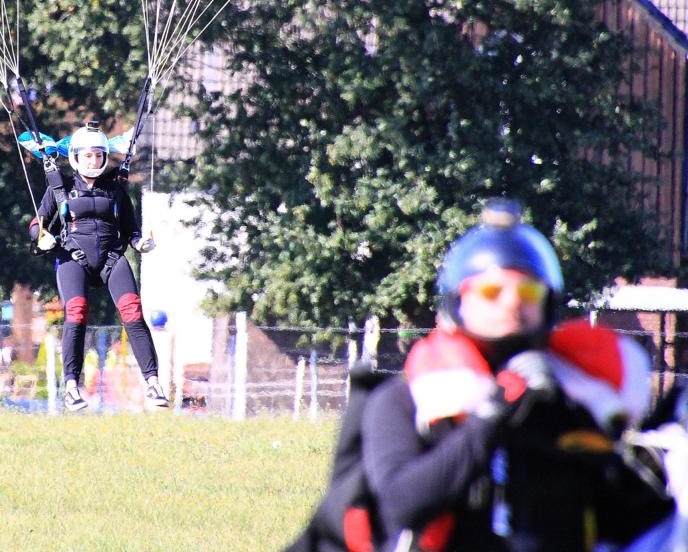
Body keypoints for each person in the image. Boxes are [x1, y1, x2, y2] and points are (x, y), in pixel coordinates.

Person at [289, 199, 674, 552]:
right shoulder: (404, 399)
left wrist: (654, 457)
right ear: (460, 300)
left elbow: (621, 520)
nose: (511, 304)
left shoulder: (569, 400)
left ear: (548, 302)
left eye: (528, 292)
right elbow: (400, 505)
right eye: (491, 291)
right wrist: (491, 418)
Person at [28, 121, 168, 412]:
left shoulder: (114, 189)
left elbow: (130, 228)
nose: (94, 161)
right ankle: (71, 387)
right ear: (77, 157)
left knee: (132, 310)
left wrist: (140, 242)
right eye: (88, 155)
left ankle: (153, 382)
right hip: (73, 257)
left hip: (111, 257)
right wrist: (42, 237)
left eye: (98, 155)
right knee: (76, 311)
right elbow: (36, 224)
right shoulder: (61, 187)